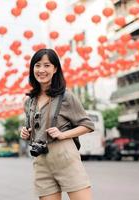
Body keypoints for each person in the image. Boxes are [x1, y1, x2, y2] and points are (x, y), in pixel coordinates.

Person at [20, 48, 95, 200]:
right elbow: (35, 129)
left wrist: (63, 134)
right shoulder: (29, 101)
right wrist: (26, 133)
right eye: (37, 65)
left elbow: (87, 125)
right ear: (32, 69)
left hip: (65, 155)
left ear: (55, 69)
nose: (41, 70)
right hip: (41, 160)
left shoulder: (65, 96)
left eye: (47, 65)